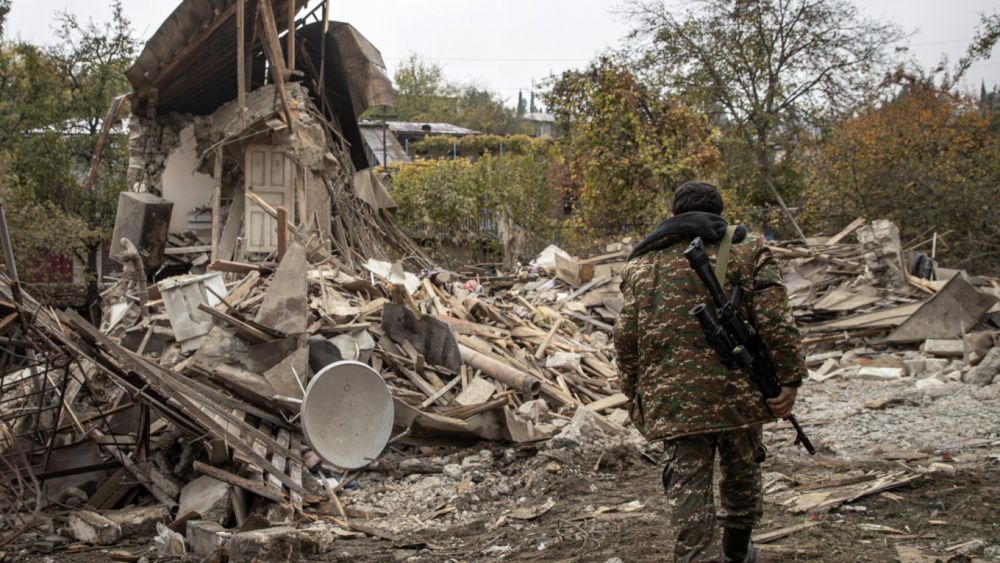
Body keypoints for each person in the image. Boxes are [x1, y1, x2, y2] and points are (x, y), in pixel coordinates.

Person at [613, 181, 806, 563]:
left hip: (674, 400)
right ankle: (737, 549)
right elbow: (776, 322)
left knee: (687, 484)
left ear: (673, 215)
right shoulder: (748, 251)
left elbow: (626, 340)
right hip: (740, 390)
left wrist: (636, 395)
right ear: (720, 214)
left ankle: (697, 556)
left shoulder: (640, 266)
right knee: (742, 470)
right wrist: (789, 379)